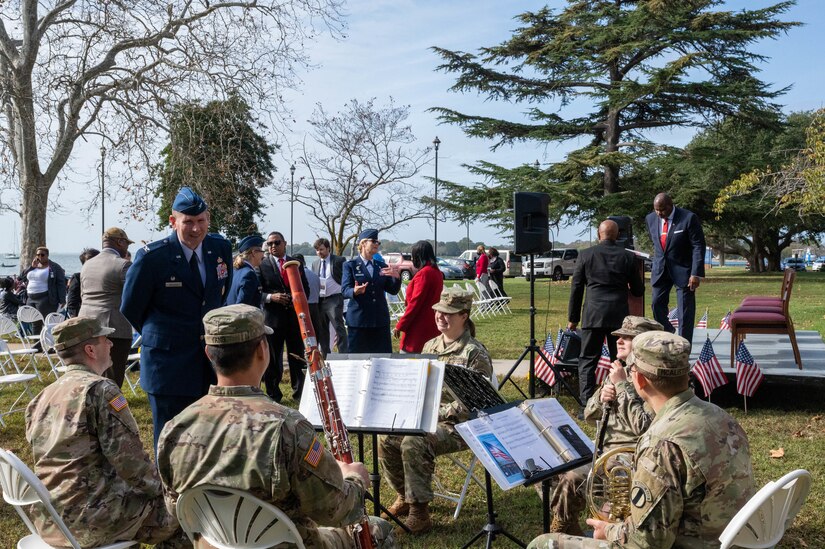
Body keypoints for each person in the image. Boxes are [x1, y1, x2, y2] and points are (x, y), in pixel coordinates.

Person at [157, 304, 395, 549]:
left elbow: (175, 508)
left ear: (208, 353)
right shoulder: (287, 428)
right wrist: (355, 478)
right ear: (263, 349)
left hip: (213, 543)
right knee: (380, 530)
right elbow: (332, 510)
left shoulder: (175, 427)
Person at [527, 331, 754, 549]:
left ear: (639, 379)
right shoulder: (722, 416)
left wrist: (609, 531)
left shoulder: (661, 442)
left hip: (694, 542)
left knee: (542, 544)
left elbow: (648, 543)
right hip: (732, 538)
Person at [25, 317, 184, 548]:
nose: (111, 344)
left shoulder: (41, 397)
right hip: (93, 520)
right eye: (104, 339)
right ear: (90, 349)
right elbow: (132, 465)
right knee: (186, 516)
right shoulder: (101, 391)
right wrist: (169, 493)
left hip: (50, 519)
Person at [121, 186, 233, 450]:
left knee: (208, 437)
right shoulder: (152, 258)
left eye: (201, 221)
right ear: (173, 222)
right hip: (167, 365)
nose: (196, 229)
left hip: (210, 362)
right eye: (188, 222)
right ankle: (168, 491)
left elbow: (220, 294)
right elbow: (131, 307)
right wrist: (162, 333)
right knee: (170, 440)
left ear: (208, 219)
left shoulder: (220, 248)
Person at [379, 287, 493, 534]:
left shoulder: (474, 353)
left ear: (464, 315)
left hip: (462, 425)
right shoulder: (431, 345)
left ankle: (420, 516)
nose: (441, 317)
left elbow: (475, 402)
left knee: (413, 443)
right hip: (427, 417)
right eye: (438, 312)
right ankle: (406, 496)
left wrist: (433, 413)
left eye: (448, 313)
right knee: (385, 438)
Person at [545, 316, 663, 535]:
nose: (619, 341)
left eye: (628, 338)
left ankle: (566, 525)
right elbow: (590, 415)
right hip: (602, 452)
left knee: (572, 478)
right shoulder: (620, 372)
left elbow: (645, 427)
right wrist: (602, 399)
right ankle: (565, 521)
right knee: (547, 467)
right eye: (619, 336)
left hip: (632, 456)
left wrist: (621, 386)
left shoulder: (652, 380)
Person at [568, 220, 644, 408]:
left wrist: (573, 318)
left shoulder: (585, 255)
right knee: (618, 359)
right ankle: (621, 401)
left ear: (598, 234)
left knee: (587, 359)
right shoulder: (627, 257)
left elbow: (576, 288)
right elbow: (638, 290)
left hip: (593, 314)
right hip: (618, 315)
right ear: (618, 235)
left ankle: (586, 404)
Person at [646, 192, 706, 348]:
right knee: (656, 304)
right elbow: (658, 245)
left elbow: (698, 246)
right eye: (656, 210)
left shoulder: (688, 218)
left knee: (685, 312)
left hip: (684, 271)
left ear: (670, 205)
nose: (659, 213)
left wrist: (695, 273)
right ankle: (667, 331)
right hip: (660, 270)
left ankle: (684, 347)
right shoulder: (651, 219)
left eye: (662, 210)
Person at [79, 228, 133, 388]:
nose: (127, 249)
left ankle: (91, 410)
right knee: (112, 380)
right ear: (120, 242)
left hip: (87, 326)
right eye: (126, 244)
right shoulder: (123, 265)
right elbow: (135, 295)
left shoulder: (87, 264)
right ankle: (113, 412)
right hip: (114, 328)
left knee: (91, 377)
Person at [259, 231, 309, 402]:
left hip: (294, 319)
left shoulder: (296, 264)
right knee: (273, 359)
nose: (273, 246)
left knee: (297, 357)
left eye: (276, 242)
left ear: (284, 243)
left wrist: (295, 299)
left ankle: (299, 393)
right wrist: (271, 297)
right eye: (269, 244)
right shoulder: (262, 264)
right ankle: (273, 394)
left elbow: (305, 290)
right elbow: (257, 292)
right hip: (273, 318)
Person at [341, 229, 401, 353]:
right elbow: (345, 290)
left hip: (379, 321)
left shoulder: (381, 266)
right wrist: (355, 291)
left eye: (378, 242)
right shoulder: (350, 265)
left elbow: (393, 290)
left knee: (383, 360)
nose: (376, 244)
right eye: (373, 241)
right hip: (359, 322)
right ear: (363, 243)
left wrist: (397, 278)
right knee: (357, 361)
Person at [393, 240, 443, 353]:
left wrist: (401, 325)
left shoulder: (424, 273)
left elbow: (415, 303)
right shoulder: (437, 272)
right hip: (432, 323)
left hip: (418, 327)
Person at [313, 237, 348, 355]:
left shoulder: (339, 260)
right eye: (317, 250)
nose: (319, 252)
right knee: (322, 329)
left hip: (335, 299)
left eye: (321, 249)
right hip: (320, 300)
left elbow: (346, 277)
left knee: (338, 327)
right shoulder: (315, 263)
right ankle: (325, 354)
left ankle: (343, 354)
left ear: (328, 248)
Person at [21, 246, 66, 329]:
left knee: (47, 323)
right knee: (35, 323)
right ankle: (37, 342)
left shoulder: (54, 267)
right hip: (30, 298)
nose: (40, 257)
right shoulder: (33, 267)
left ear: (47, 255)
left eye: (42, 255)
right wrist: (31, 267)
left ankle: (48, 341)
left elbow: (61, 283)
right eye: (38, 255)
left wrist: (62, 299)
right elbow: (21, 278)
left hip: (45, 298)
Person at [295, 252, 326, 350]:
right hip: (315, 307)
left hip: (302, 308)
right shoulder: (315, 276)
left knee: (301, 334)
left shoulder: (297, 275)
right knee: (314, 333)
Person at [226, 233, 265, 306]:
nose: (263, 255)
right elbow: (242, 307)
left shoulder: (235, 271)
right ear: (254, 253)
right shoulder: (249, 274)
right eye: (262, 251)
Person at [66, 247, 100, 318]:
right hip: (83, 316)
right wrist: (75, 319)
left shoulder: (102, 277)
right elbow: (72, 302)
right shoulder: (77, 277)